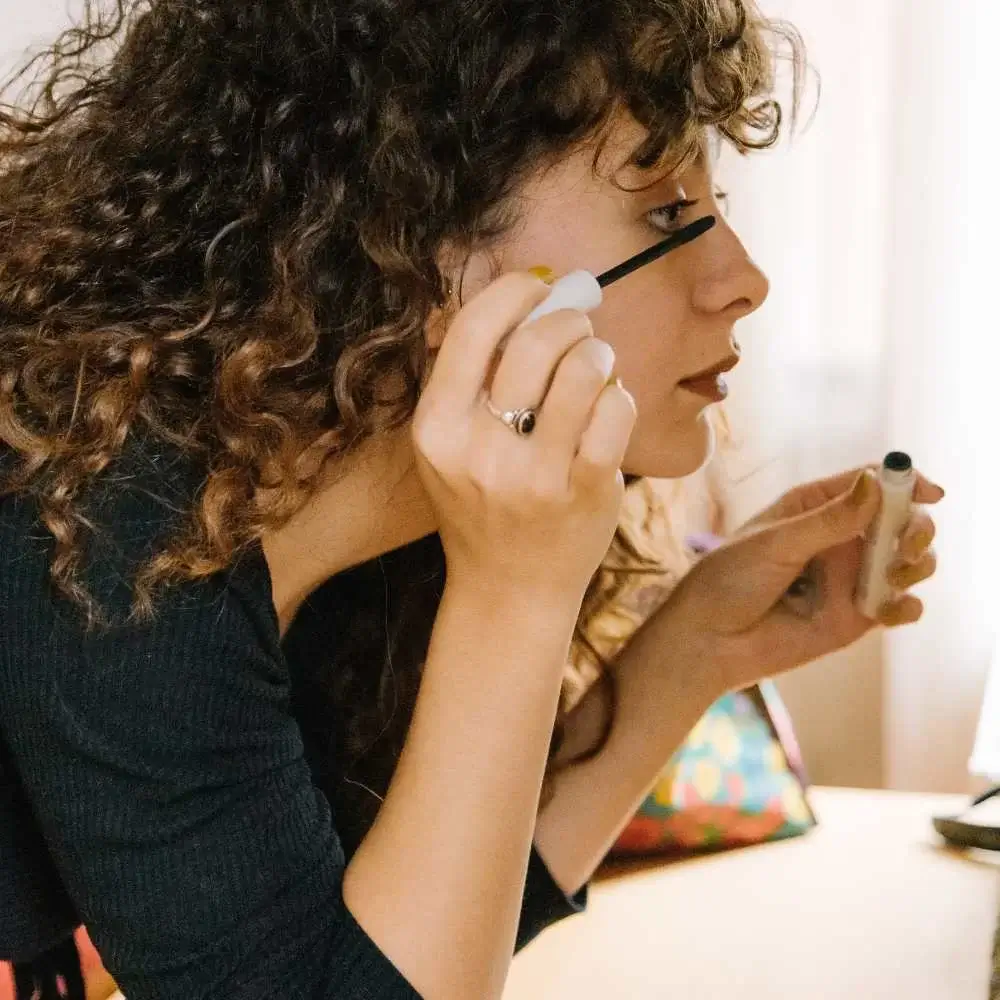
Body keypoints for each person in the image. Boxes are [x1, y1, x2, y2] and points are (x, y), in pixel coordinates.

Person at [0, 1, 943, 998]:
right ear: (410, 246)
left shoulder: (354, 546)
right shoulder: (104, 538)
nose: (743, 279)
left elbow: (399, 949)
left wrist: (697, 647)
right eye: (666, 213)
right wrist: (516, 593)